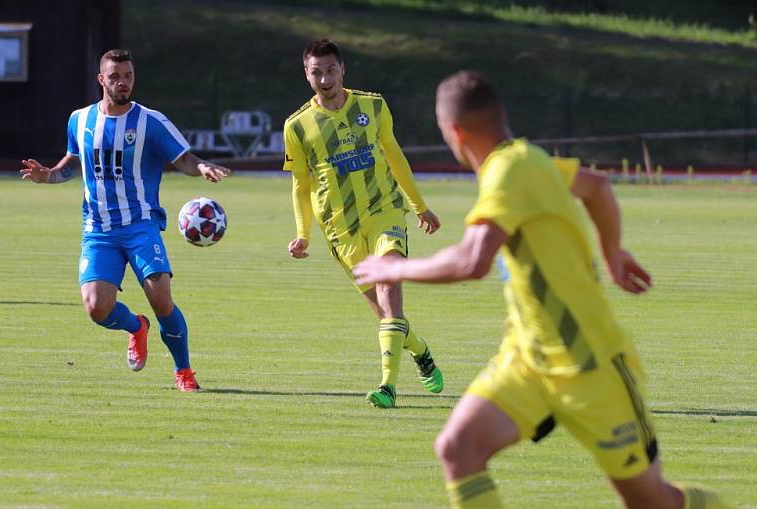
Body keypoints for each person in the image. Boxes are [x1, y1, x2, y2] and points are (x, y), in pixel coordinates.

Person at [354, 70, 731, 508]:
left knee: (652, 502)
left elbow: (472, 260)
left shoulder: (508, 173)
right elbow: (596, 187)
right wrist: (612, 254)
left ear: (453, 132)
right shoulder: (529, 160)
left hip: (592, 368)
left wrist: (396, 268)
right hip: (528, 361)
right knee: (458, 449)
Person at [20, 49, 231, 392]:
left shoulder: (151, 122)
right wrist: (50, 176)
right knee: (96, 308)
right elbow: (73, 162)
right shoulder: (80, 119)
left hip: (140, 225)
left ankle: (184, 372)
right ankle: (136, 327)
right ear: (101, 80)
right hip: (98, 229)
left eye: (128, 76)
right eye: (116, 76)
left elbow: (184, 159)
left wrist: (202, 167)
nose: (123, 83)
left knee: (161, 299)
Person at [283, 39, 443, 408]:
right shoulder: (297, 125)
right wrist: (302, 234)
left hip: (385, 210)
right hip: (340, 228)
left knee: (390, 282)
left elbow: (395, 156)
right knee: (387, 314)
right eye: (316, 72)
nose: (324, 78)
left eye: (330, 70)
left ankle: (387, 387)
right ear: (306, 75)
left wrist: (419, 206)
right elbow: (300, 185)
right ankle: (420, 351)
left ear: (343, 69)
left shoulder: (373, 106)